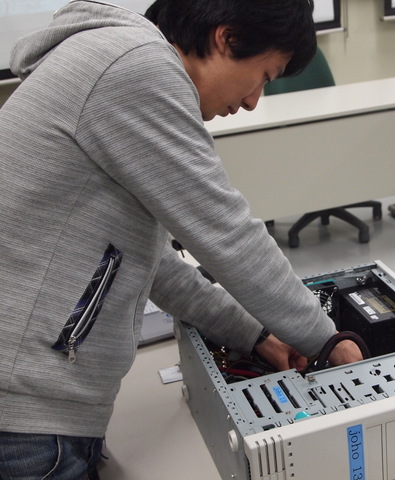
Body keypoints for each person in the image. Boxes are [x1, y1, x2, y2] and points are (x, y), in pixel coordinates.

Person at [0, 0, 363, 477]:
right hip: (26, 416)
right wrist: (327, 339)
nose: (253, 100)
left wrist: (255, 335)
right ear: (226, 38)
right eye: (264, 76)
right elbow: (230, 236)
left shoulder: (113, 57)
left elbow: (155, 265)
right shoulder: (137, 68)